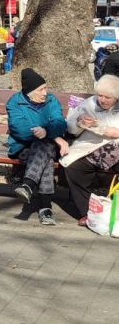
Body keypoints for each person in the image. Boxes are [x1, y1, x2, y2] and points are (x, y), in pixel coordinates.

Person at [7, 68, 68, 225]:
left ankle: (28, 185)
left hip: (45, 145)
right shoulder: (15, 102)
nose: (45, 92)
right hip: (23, 147)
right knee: (45, 155)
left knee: (43, 148)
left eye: (46, 88)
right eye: (41, 89)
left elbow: (60, 122)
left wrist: (46, 131)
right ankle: (45, 208)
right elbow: (19, 128)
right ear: (29, 92)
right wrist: (50, 134)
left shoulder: (51, 100)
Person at [59, 74, 119, 225]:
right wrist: (79, 122)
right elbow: (71, 128)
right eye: (100, 95)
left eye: (108, 97)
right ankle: (89, 213)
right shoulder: (89, 103)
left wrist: (105, 129)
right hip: (91, 147)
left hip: (115, 149)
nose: (102, 100)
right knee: (73, 167)